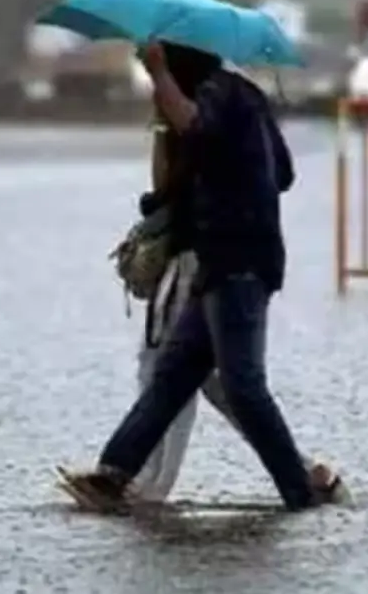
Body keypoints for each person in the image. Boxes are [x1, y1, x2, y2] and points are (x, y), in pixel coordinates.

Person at [61, 42, 344, 512]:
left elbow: (195, 126)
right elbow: (285, 173)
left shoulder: (218, 95)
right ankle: (113, 474)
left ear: (178, 62)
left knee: (242, 386)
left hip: (238, 261)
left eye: (160, 62)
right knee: (172, 374)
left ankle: (301, 490)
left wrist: (158, 76)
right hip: (222, 261)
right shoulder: (244, 96)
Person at [130, 116, 341, 503]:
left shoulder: (202, 110)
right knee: (209, 378)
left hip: (200, 258)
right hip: (214, 257)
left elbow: (168, 188)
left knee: (169, 368)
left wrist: (164, 134)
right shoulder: (219, 110)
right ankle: (305, 471)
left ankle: (148, 484)